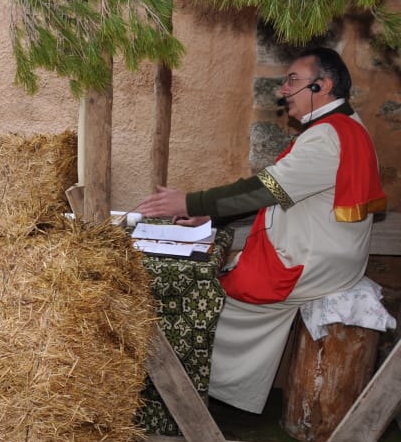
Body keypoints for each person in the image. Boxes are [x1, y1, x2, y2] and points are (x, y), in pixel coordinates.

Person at [139, 47, 387, 414]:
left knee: (208, 298)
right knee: (221, 269)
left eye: (293, 81)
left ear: (323, 85)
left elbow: (265, 189)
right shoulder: (346, 126)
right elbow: (288, 193)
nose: (283, 90)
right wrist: (212, 219)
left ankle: (185, 395)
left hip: (314, 262)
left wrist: (190, 203)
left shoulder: (326, 138)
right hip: (329, 254)